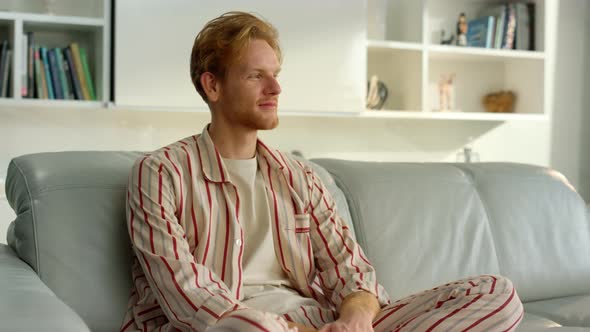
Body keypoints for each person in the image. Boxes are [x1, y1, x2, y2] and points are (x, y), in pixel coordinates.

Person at [120, 11, 523, 332]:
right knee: (248, 325)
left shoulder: (300, 177)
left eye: (276, 75)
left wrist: (356, 319)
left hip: (322, 322)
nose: (275, 89)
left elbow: (355, 277)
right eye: (256, 76)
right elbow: (191, 301)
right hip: (237, 325)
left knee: (497, 294)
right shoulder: (161, 174)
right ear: (212, 86)